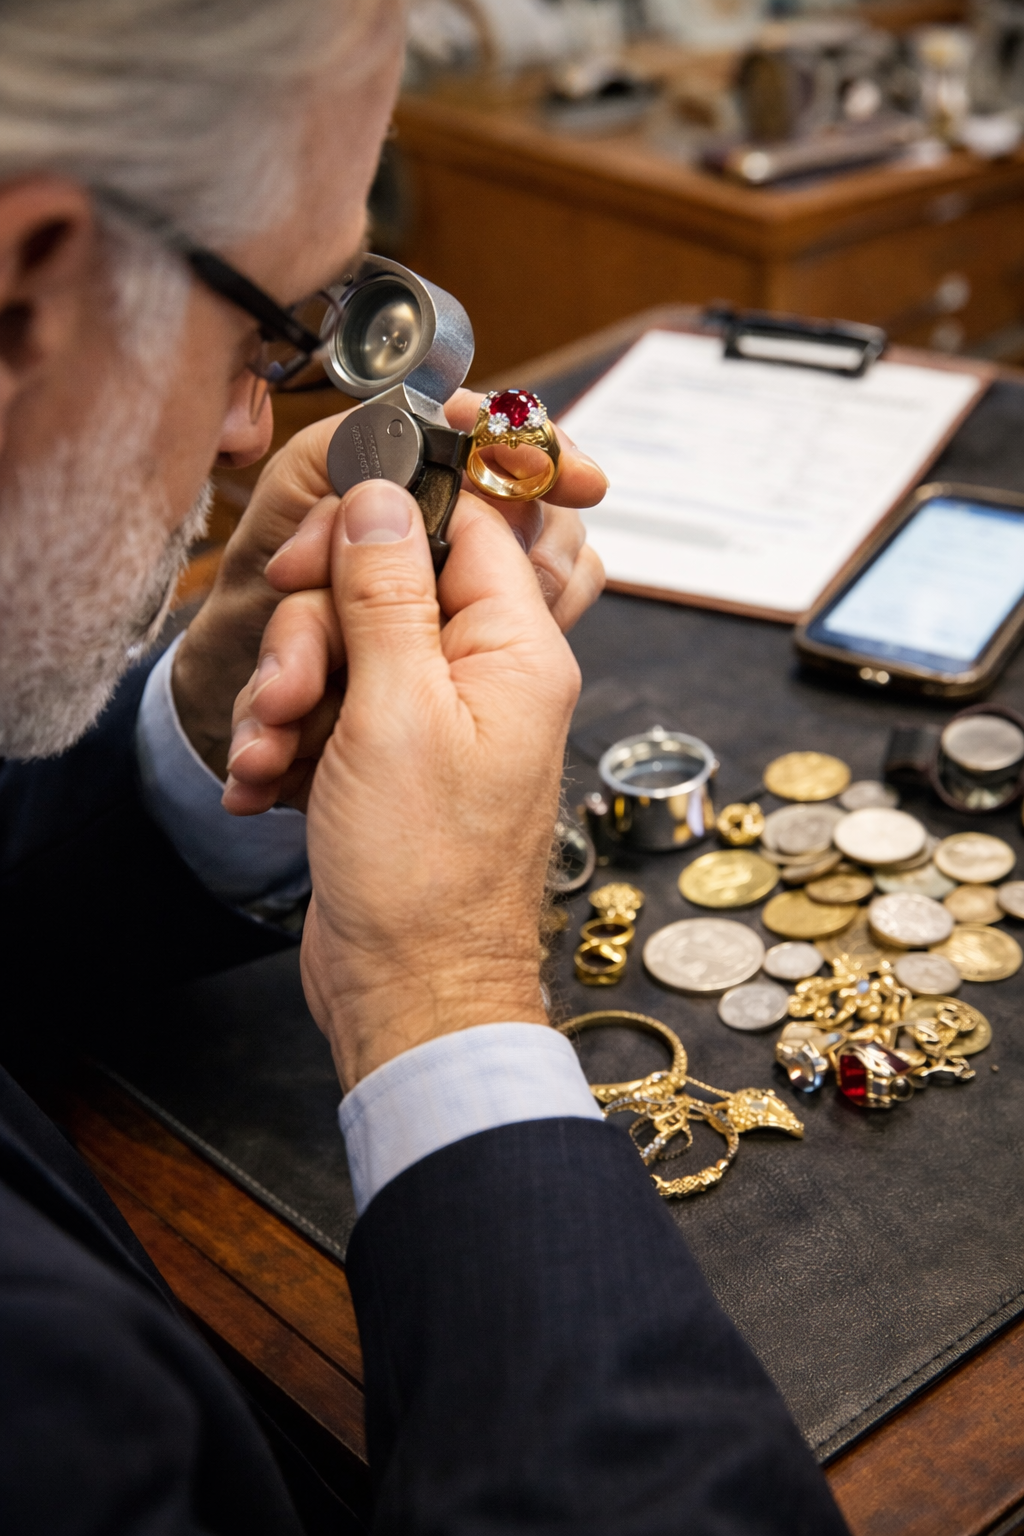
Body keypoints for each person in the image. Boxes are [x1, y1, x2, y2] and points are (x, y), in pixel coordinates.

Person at [0, 1, 849, 1532]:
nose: (255, 437)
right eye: (266, 336)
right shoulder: (52, 1413)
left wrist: (211, 714)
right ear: (22, 290)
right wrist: (442, 998)